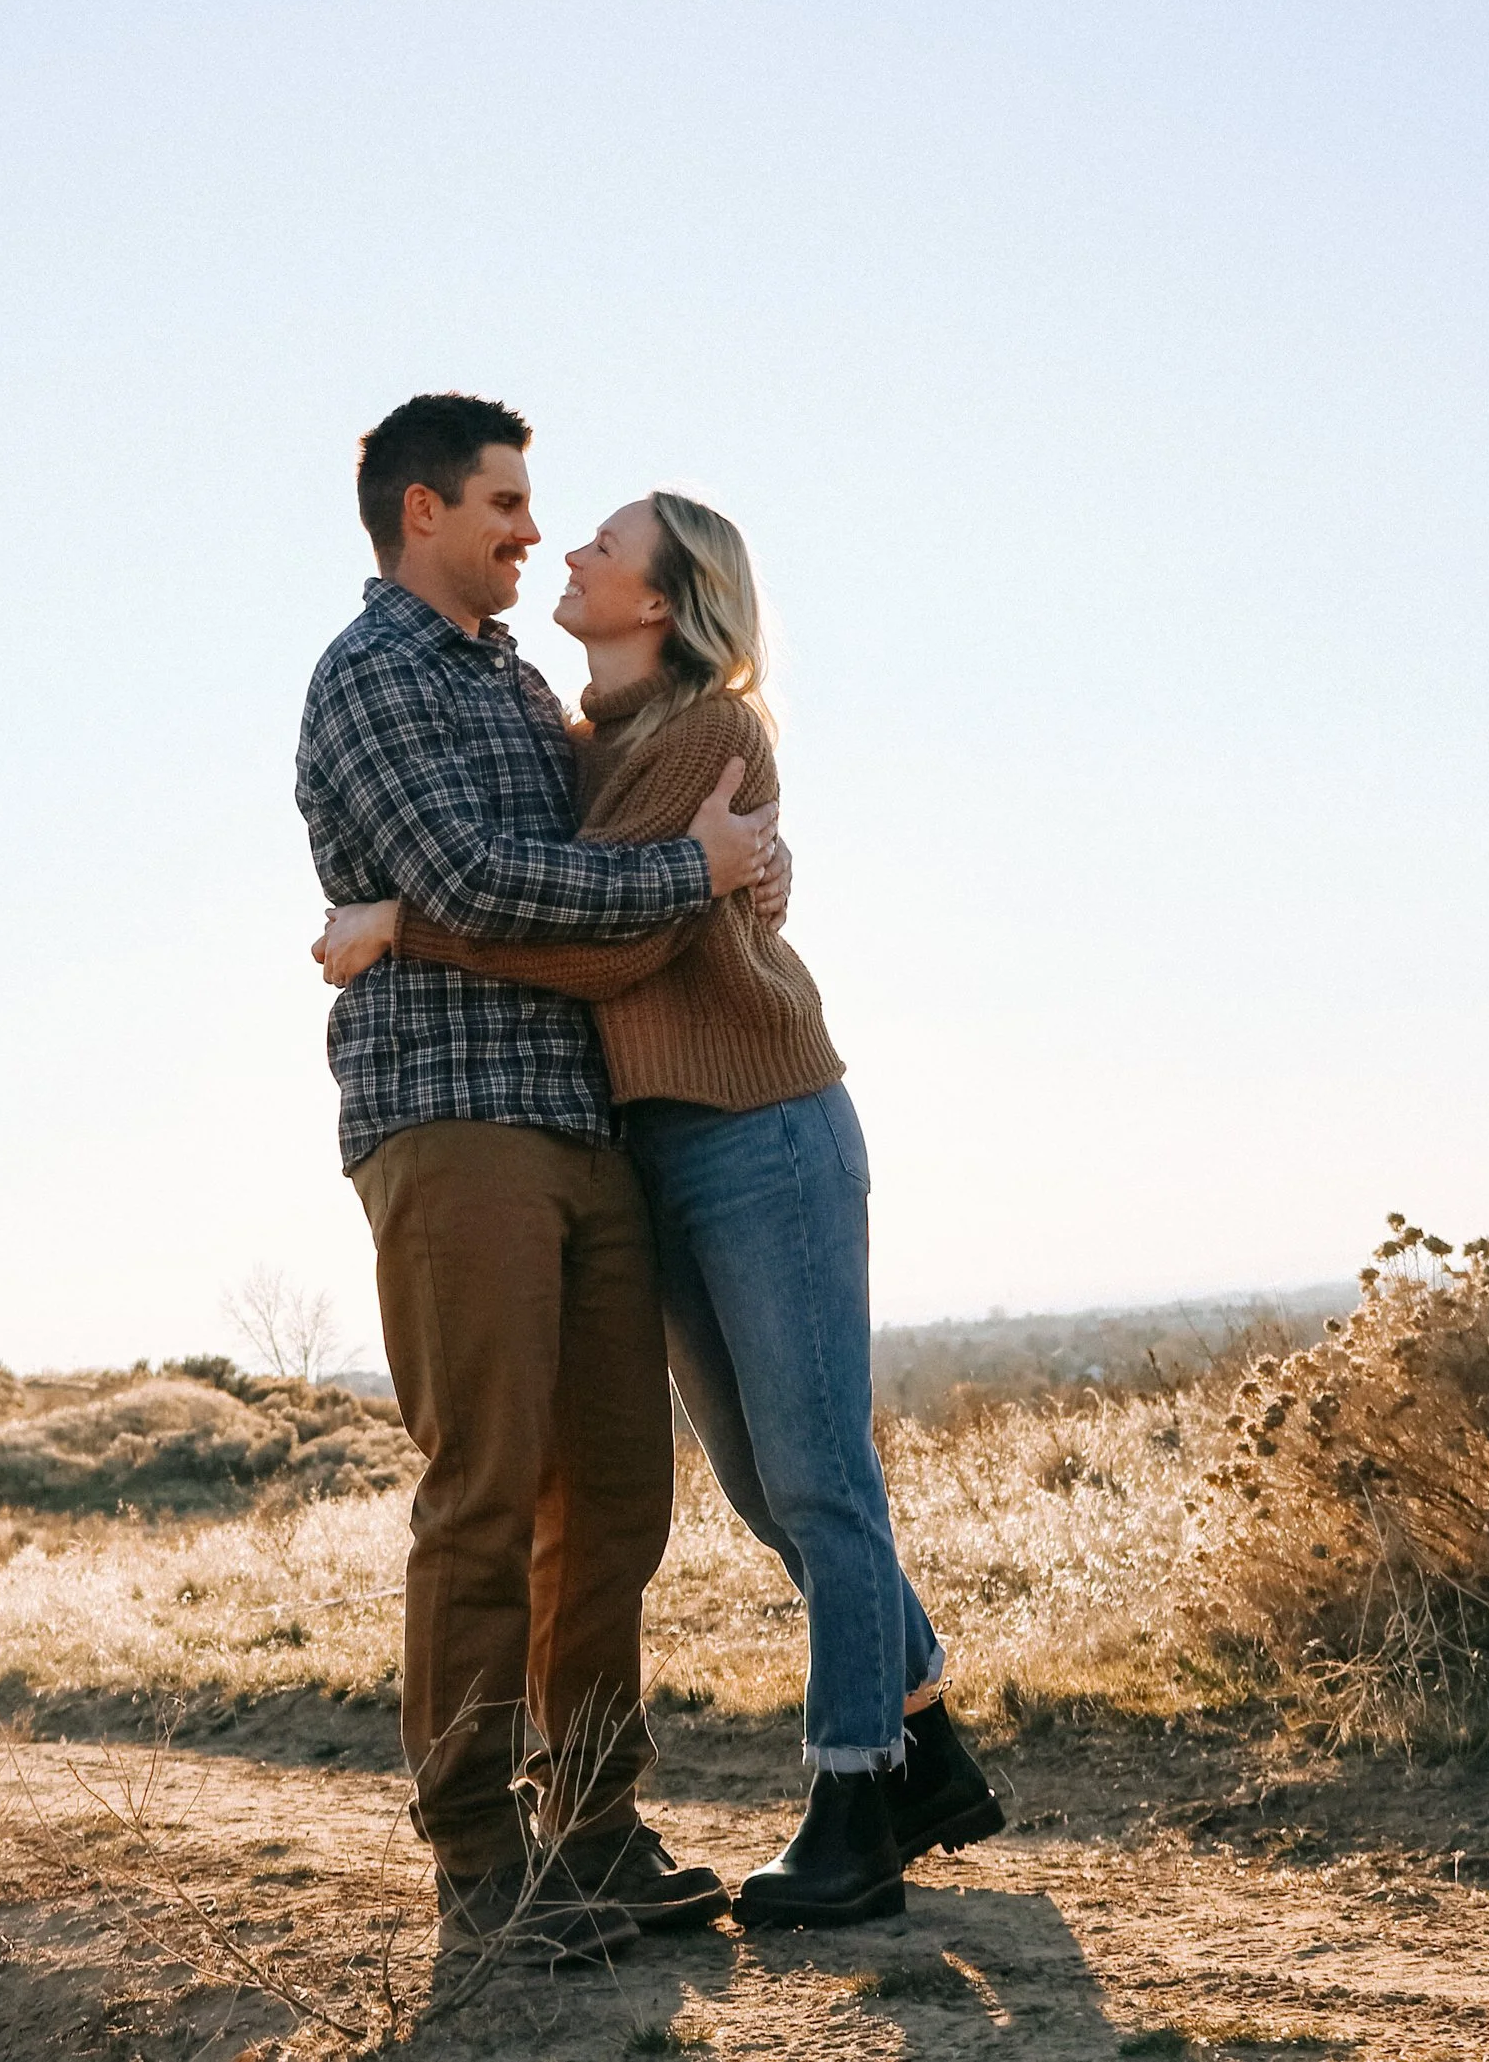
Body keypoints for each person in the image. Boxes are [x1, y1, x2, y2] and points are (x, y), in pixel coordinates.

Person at [319, 488, 1005, 1929]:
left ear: (669, 601)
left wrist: (400, 930)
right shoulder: (583, 739)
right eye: (540, 518)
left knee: (817, 1481)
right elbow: (585, 891)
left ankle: (854, 1803)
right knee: (774, 1491)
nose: (564, 546)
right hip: (657, 1151)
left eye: (602, 543)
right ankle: (929, 1743)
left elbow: (608, 944)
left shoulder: (705, 729)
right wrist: (700, 879)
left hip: (762, 1128)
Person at [294, 396, 787, 1971]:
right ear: (422, 510)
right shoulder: (372, 676)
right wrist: (690, 876)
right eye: (507, 503)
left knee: (619, 1492)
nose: (530, 529)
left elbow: (593, 873)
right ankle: (482, 1860)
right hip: (452, 1120)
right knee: (489, 1488)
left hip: (583, 1123)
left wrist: (742, 867)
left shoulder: (518, 686)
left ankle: (591, 1820)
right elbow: (483, 883)